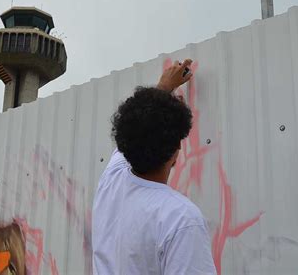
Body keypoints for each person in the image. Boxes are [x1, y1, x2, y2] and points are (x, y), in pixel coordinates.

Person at [92, 59, 216, 275]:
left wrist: (163, 88)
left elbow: (139, 127)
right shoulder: (181, 219)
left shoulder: (111, 181)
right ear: (177, 148)